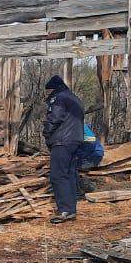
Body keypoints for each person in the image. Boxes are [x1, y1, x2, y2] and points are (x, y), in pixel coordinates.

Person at [43, 74, 85, 224]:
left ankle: (64, 210)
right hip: (76, 141)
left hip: (62, 142)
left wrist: (46, 133)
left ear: (52, 89)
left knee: (58, 175)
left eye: (47, 92)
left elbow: (54, 118)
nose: (47, 95)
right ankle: (71, 209)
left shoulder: (59, 98)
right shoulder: (74, 98)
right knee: (70, 175)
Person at [74, 122, 105, 196]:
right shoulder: (79, 125)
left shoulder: (79, 126)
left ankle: (82, 188)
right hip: (93, 153)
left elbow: (90, 141)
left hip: (92, 155)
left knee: (69, 167)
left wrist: (79, 155)